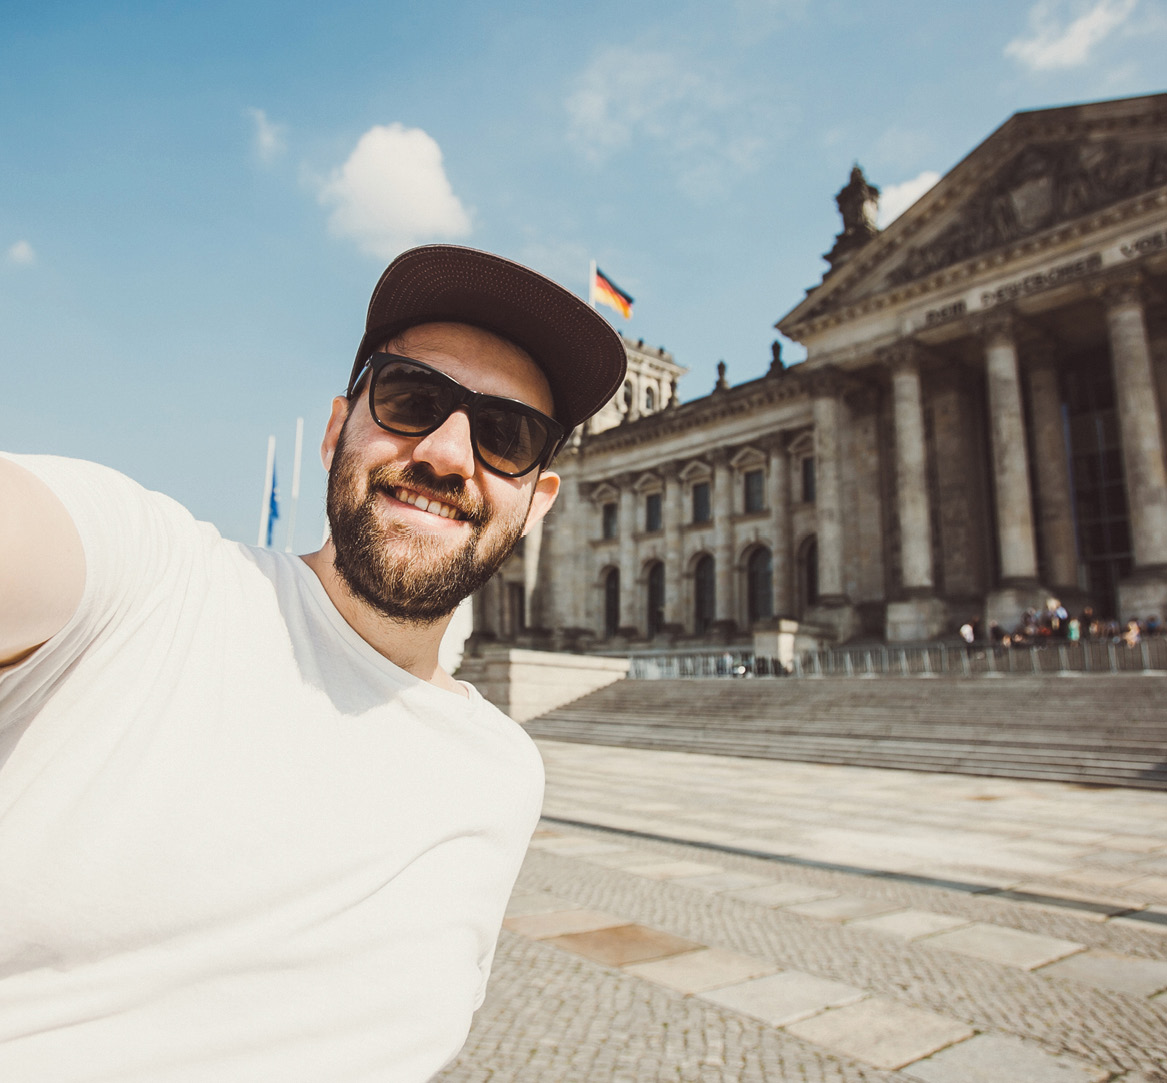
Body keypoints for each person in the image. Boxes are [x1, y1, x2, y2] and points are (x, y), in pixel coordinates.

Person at [0, 245, 626, 1082]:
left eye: (505, 435)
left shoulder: (505, 774)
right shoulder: (150, 584)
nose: (445, 452)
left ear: (537, 501)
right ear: (338, 428)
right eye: (411, 399)